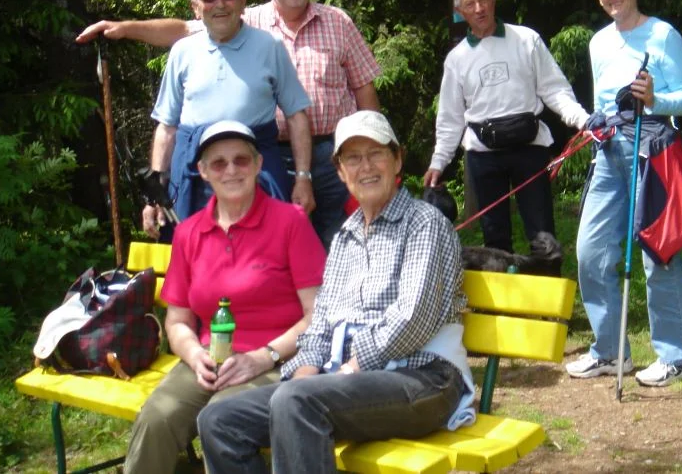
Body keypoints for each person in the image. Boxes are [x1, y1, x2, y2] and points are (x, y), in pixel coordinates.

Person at [195, 110, 475, 474]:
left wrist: (350, 368)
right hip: (349, 383)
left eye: (376, 153)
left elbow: (412, 319)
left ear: (397, 159)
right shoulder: (345, 236)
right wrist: (307, 370)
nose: (366, 167)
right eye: (353, 158)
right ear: (340, 171)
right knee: (219, 418)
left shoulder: (425, 224)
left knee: (298, 402)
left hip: (425, 379)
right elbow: (322, 322)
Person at [78, 0, 381, 248]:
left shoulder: (329, 24)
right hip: (232, 161)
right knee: (209, 248)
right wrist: (121, 28)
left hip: (325, 155)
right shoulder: (212, 35)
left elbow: (360, 88)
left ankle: (343, 294)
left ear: (241, 2)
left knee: (335, 238)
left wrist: (372, 148)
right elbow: (181, 38)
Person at [124, 120, 326, 474]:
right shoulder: (189, 233)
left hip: (277, 361)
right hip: (207, 360)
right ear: (202, 172)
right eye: (218, 163)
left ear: (258, 164)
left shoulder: (290, 222)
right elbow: (177, 320)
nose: (231, 170)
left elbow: (318, 314)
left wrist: (265, 356)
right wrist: (193, 354)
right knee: (156, 420)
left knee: (223, 417)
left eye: (241, 160)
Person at [566, 0, 682, 387]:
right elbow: (602, 102)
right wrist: (595, 124)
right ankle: (609, 352)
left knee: (658, 253)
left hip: (653, 150)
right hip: (608, 153)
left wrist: (655, 100)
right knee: (590, 250)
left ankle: (678, 357)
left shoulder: (663, 35)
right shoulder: (598, 42)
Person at [423, 0, 590, 251]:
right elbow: (451, 117)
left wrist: (583, 120)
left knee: (542, 233)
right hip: (483, 155)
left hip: (530, 147)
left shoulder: (526, 39)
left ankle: (545, 290)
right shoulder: (457, 59)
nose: (479, 9)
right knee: (494, 236)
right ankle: (502, 292)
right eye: (470, 4)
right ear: (459, 11)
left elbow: (554, 89)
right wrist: (439, 162)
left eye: (483, 0)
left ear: (493, 0)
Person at [145, 0, 314, 236]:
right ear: (196, 8)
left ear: (243, 3)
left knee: (267, 253)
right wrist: (154, 193)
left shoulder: (270, 47)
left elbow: (296, 115)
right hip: (193, 173)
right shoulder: (182, 52)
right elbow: (167, 126)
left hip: (257, 169)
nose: (220, 4)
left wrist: (304, 178)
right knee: (194, 255)